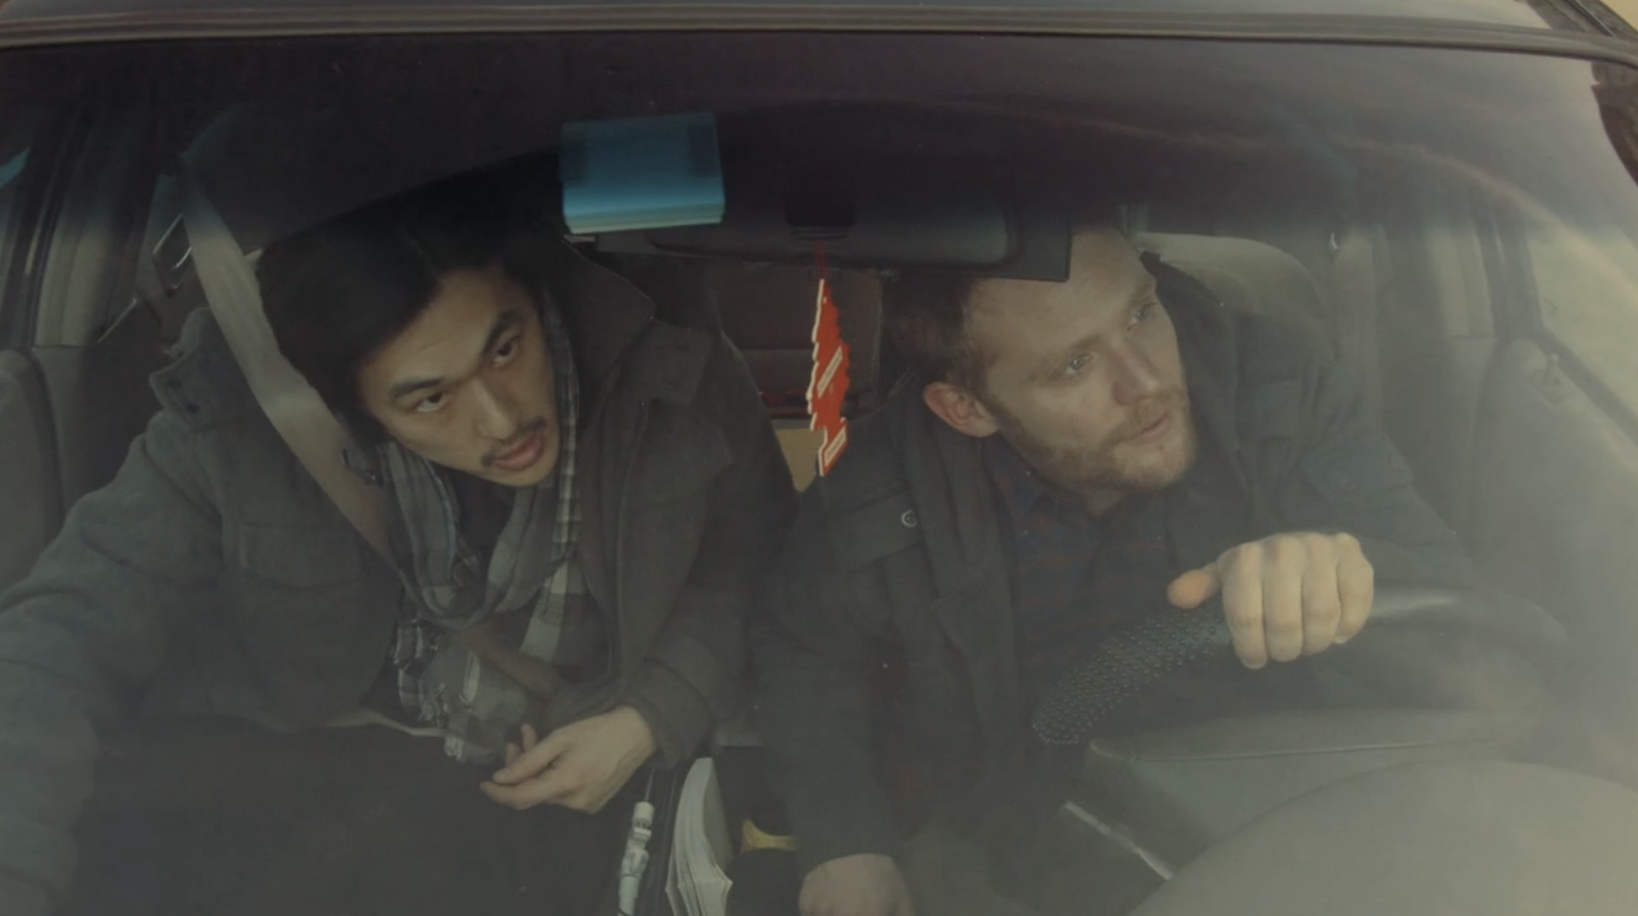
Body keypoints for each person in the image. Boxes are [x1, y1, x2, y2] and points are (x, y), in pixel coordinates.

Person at [0, 180, 797, 914]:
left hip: (588, 772)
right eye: (431, 398)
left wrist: (651, 714)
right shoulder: (235, 427)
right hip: (320, 781)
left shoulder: (670, 364)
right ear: (349, 411)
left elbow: (761, 557)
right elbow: (56, 639)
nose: (501, 419)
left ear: (533, 292)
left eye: (505, 349)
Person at [751, 222, 1474, 916]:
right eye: (1074, 365)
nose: (1146, 382)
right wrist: (844, 839)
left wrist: (1345, 568)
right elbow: (804, 652)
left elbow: (1462, 624)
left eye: (1141, 314)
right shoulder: (878, 492)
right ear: (967, 408)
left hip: (1289, 827)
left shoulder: (1280, 390)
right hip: (1016, 847)